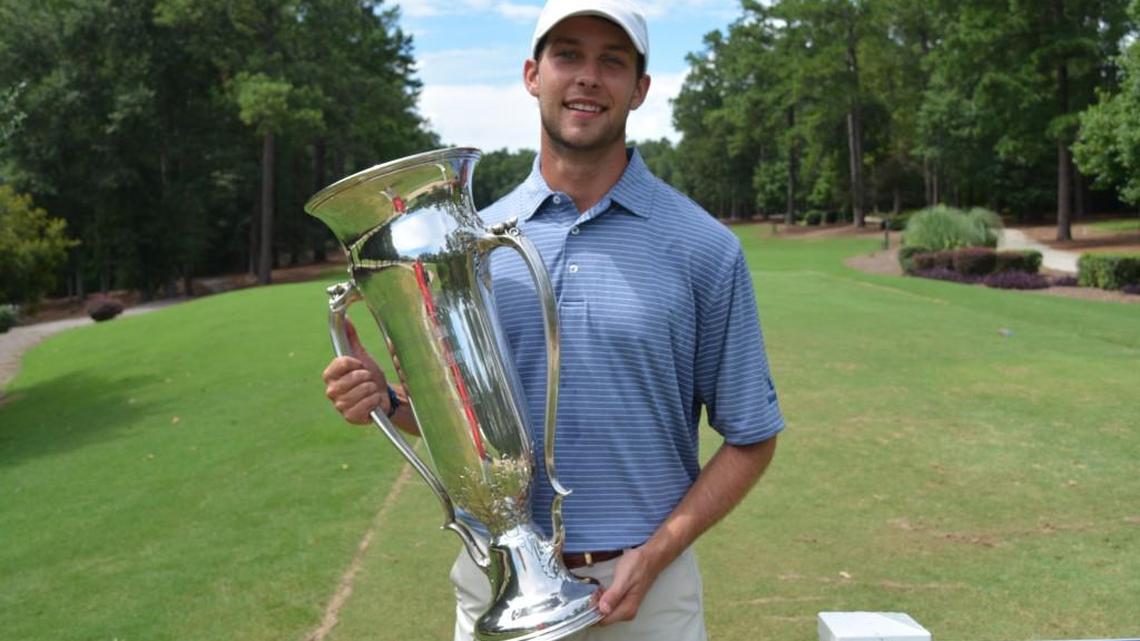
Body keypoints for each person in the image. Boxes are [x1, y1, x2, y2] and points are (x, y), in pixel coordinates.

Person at [321, 0, 785, 639]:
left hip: (645, 595)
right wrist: (392, 400)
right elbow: (468, 417)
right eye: (568, 55)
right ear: (533, 75)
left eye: (612, 61)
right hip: (497, 587)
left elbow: (752, 435)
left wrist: (655, 556)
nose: (588, 77)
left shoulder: (704, 247)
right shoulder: (468, 242)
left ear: (640, 89)